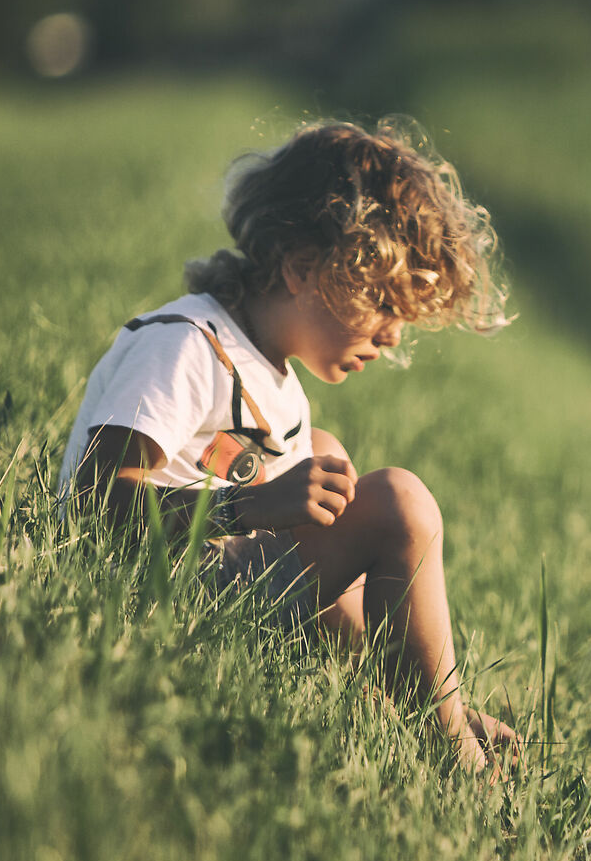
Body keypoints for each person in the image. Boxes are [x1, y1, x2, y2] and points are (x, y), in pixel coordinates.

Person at [59, 119, 516, 772]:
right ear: (303, 268)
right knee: (399, 504)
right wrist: (246, 507)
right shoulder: (186, 344)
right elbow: (96, 497)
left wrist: (436, 695)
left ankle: (419, 707)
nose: (393, 336)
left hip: (206, 586)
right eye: (384, 305)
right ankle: (455, 760)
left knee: (326, 462)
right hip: (142, 592)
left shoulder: (274, 383)